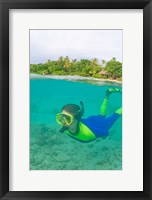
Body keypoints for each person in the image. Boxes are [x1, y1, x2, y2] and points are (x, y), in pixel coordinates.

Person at [56, 88, 122, 142]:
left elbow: (106, 132)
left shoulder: (92, 132)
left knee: (115, 116)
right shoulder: (66, 128)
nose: (63, 123)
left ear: (77, 119)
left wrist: (103, 137)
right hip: (91, 121)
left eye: (68, 119)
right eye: (61, 117)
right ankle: (107, 94)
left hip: (101, 124)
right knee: (101, 115)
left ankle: (108, 95)